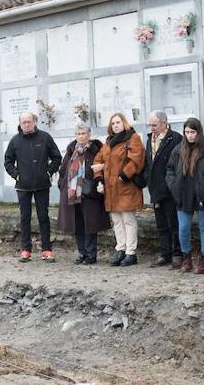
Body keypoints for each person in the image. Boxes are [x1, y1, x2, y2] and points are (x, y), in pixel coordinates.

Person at [4, 111, 63, 263]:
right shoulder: (15, 141)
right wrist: (17, 175)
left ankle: (47, 250)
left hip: (42, 185)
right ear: (20, 124)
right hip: (23, 186)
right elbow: (8, 161)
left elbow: (57, 157)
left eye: (29, 121)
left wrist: (49, 172)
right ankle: (26, 250)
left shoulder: (44, 137)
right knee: (25, 218)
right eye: (23, 122)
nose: (26, 124)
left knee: (43, 217)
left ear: (34, 121)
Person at [92, 112, 145, 266]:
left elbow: (137, 159)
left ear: (124, 123)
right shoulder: (108, 142)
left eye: (118, 122)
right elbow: (98, 160)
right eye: (113, 123)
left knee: (128, 220)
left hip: (126, 186)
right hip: (111, 188)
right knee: (117, 221)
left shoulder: (132, 138)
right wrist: (99, 180)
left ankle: (131, 252)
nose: (115, 125)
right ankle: (120, 249)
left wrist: (124, 175)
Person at [166, 117, 204, 274]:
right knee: (183, 227)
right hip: (183, 193)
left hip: (202, 193)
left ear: (198, 132)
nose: (189, 135)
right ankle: (186, 258)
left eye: (192, 132)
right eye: (187, 132)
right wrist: (174, 186)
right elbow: (170, 170)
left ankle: (203, 260)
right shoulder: (178, 150)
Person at [57, 122, 110, 264]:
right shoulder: (71, 150)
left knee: (90, 224)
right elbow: (63, 169)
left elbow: (103, 166)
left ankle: (91, 254)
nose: (81, 137)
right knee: (78, 224)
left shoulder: (96, 149)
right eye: (78, 134)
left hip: (89, 192)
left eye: (83, 133)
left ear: (89, 135)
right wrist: (62, 184)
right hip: (73, 192)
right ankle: (82, 253)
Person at [142, 111, 183, 268]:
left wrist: (172, 184)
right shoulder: (149, 140)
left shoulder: (176, 138)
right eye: (150, 125)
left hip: (170, 189)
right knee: (161, 224)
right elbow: (148, 163)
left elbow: (178, 165)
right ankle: (165, 253)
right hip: (156, 188)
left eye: (154, 125)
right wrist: (147, 178)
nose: (151, 128)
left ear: (165, 123)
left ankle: (178, 254)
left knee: (174, 223)